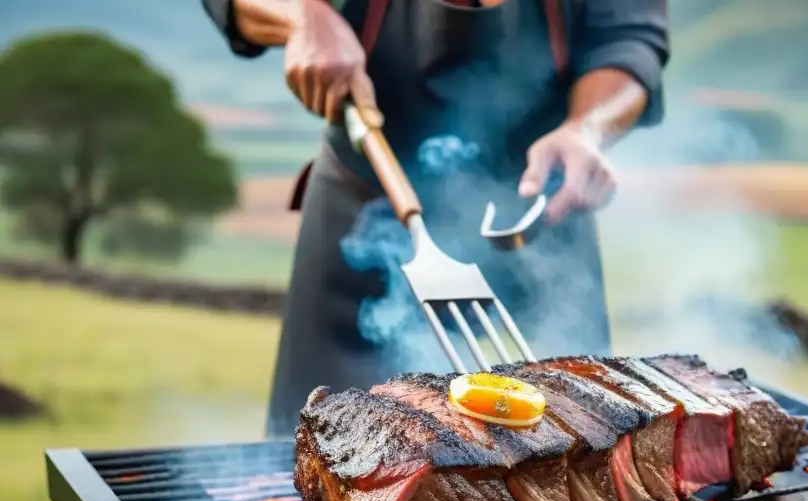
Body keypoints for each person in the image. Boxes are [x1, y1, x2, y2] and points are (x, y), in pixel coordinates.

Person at [201, 0, 670, 437]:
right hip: (360, 228)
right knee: (324, 468)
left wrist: (586, 130)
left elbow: (629, 39)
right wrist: (303, 16)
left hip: (539, 218)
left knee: (571, 445)